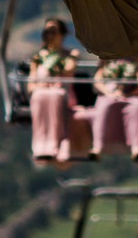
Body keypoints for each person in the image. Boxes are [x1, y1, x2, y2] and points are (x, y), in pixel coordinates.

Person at [28, 17, 92, 165]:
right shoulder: (38, 58)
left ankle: (57, 142)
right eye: (47, 31)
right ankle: (41, 145)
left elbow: (68, 71)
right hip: (42, 93)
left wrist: (58, 59)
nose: (50, 35)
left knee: (56, 96)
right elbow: (31, 85)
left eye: (53, 31)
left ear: (61, 34)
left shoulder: (69, 55)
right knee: (40, 96)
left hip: (63, 93)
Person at [90, 56, 138, 160]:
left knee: (136, 105)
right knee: (102, 107)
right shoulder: (106, 57)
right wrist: (109, 93)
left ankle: (136, 146)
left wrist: (128, 94)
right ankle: (97, 146)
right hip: (108, 94)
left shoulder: (136, 59)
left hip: (130, 94)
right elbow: (97, 81)